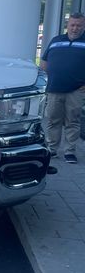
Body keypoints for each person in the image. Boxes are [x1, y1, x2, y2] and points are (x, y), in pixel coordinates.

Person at [40, 12, 85, 163]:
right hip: (54, 88)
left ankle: (69, 152)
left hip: (76, 90)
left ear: (83, 26)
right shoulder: (55, 40)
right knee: (53, 120)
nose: (75, 28)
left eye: (79, 25)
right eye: (72, 24)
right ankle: (52, 149)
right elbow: (44, 62)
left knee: (73, 121)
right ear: (67, 25)